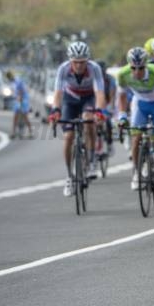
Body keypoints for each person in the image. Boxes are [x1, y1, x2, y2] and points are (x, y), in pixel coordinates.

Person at [47, 42, 107, 196]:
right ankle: (69, 176)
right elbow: (58, 92)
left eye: (82, 62)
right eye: (76, 62)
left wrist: (99, 112)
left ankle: (92, 159)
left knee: (89, 120)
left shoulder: (94, 68)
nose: (79, 65)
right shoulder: (63, 68)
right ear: (70, 60)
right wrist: (55, 110)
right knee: (68, 136)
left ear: (87, 60)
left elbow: (100, 92)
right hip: (70, 100)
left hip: (88, 98)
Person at [116, 47, 154, 190]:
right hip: (140, 104)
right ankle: (136, 172)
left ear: (145, 65)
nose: (136, 72)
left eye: (140, 68)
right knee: (136, 139)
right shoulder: (123, 74)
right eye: (133, 68)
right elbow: (121, 96)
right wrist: (122, 115)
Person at [5, 70, 34, 138]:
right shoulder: (11, 82)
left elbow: (21, 90)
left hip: (23, 100)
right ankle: (13, 132)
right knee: (15, 116)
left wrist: (20, 100)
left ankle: (30, 132)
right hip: (17, 100)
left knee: (25, 116)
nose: (9, 78)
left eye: (10, 76)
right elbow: (14, 92)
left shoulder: (18, 80)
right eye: (8, 77)